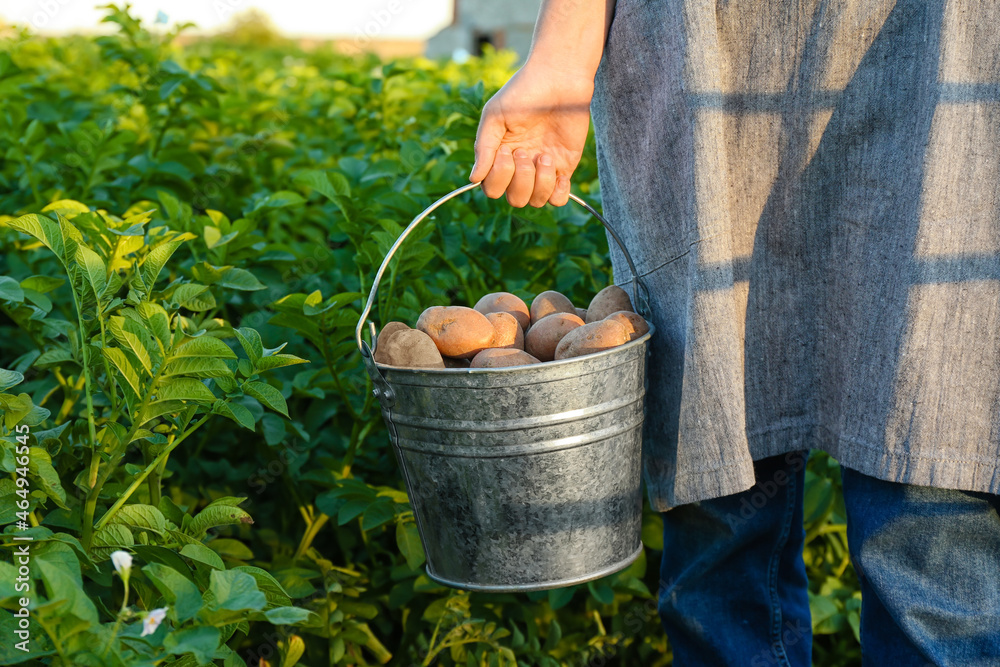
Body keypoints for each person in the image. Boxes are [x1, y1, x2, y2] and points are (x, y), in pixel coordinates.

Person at [469, 0, 1000, 665]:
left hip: (942, 41)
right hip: (706, 48)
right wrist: (562, 54)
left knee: (930, 487)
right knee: (717, 495)